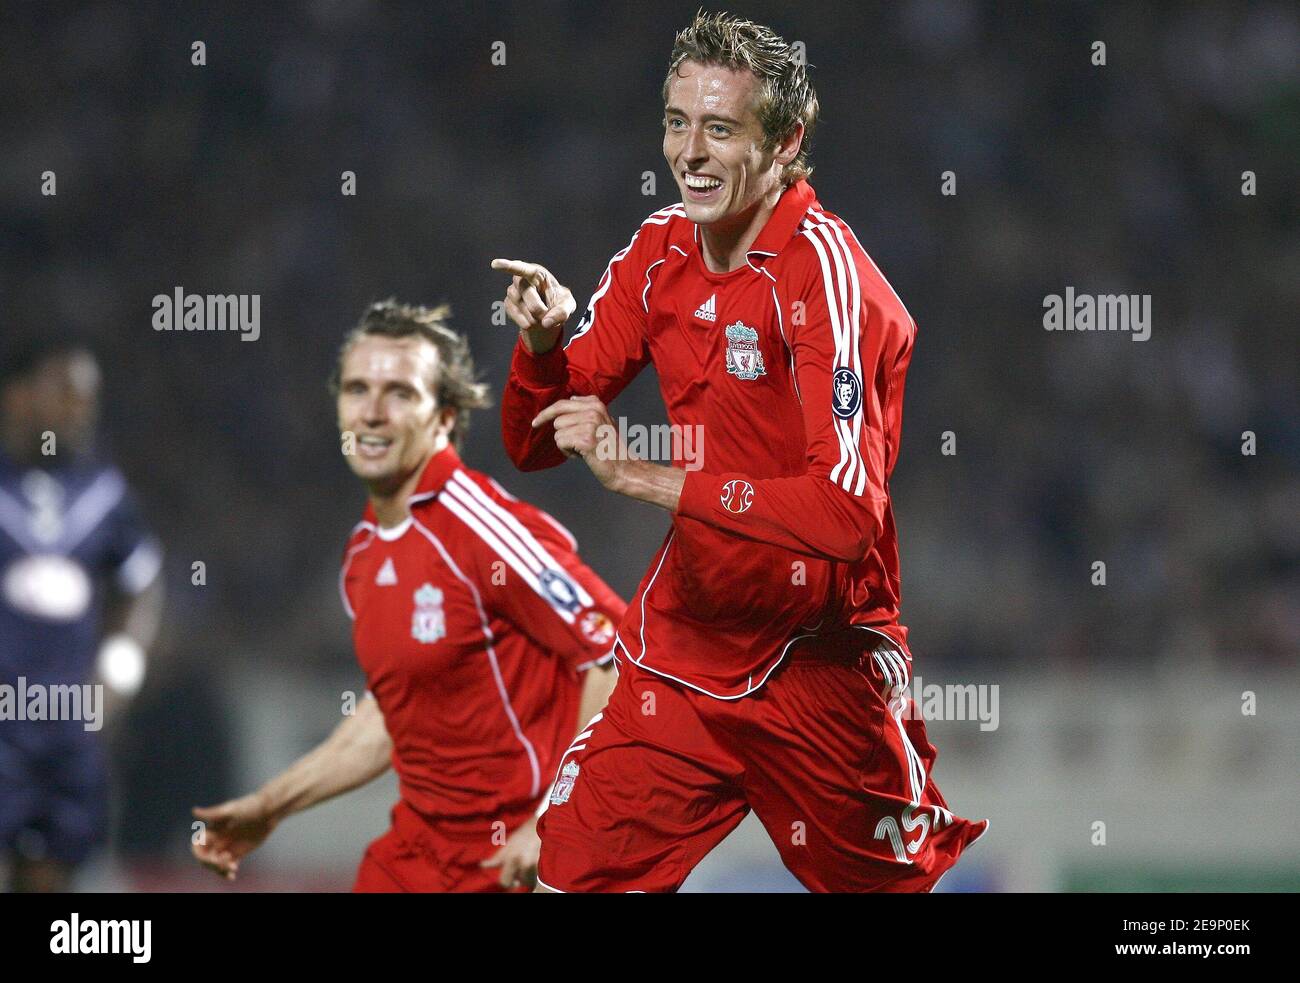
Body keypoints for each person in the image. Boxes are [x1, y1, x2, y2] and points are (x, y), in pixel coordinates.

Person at [493, 11, 988, 892]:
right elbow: (532, 444)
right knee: (568, 878)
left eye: (720, 127)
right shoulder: (658, 252)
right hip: (684, 652)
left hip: (816, 660)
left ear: (786, 140)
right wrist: (540, 351)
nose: (690, 151)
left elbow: (845, 515)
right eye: (678, 123)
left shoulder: (824, 274)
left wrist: (647, 476)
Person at [192, 301, 623, 892]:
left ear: (444, 418)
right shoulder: (364, 551)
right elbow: (394, 713)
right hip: (416, 859)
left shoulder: (480, 527)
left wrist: (554, 822)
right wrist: (271, 805)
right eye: (356, 389)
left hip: (512, 862)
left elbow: (616, 659)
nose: (371, 412)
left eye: (399, 393)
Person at [0, 338, 163, 892]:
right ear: (19, 397)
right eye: (67, 393)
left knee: (51, 883)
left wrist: (120, 664)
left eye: (87, 398)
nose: (80, 410)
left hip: (66, 731)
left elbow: (141, 585)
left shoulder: (104, 495)